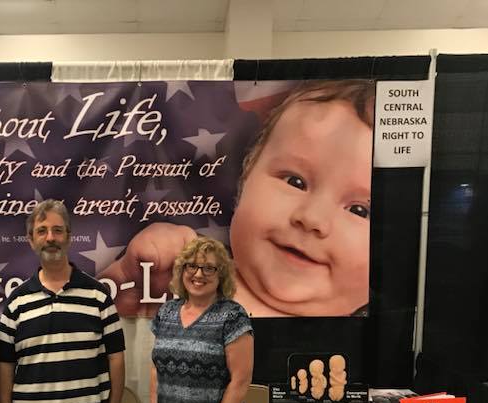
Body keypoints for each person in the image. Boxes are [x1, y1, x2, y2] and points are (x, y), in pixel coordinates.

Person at [100, 79, 375, 318]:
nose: (312, 218)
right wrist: (132, 282)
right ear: (245, 178)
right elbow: (96, 321)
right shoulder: (189, 278)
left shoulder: (371, 343)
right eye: (295, 181)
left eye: (359, 210)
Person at [0, 199, 126, 403]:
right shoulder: (17, 302)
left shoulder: (98, 295)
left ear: (69, 237)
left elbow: (116, 357)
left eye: (57, 230)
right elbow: (5, 365)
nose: (50, 238)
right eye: (42, 231)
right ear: (31, 240)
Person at [149, 235, 253, 403]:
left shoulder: (233, 316)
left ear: (221, 275)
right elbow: (156, 370)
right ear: (182, 270)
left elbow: (241, 380)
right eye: (192, 266)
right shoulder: (166, 312)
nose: (198, 274)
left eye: (209, 268)